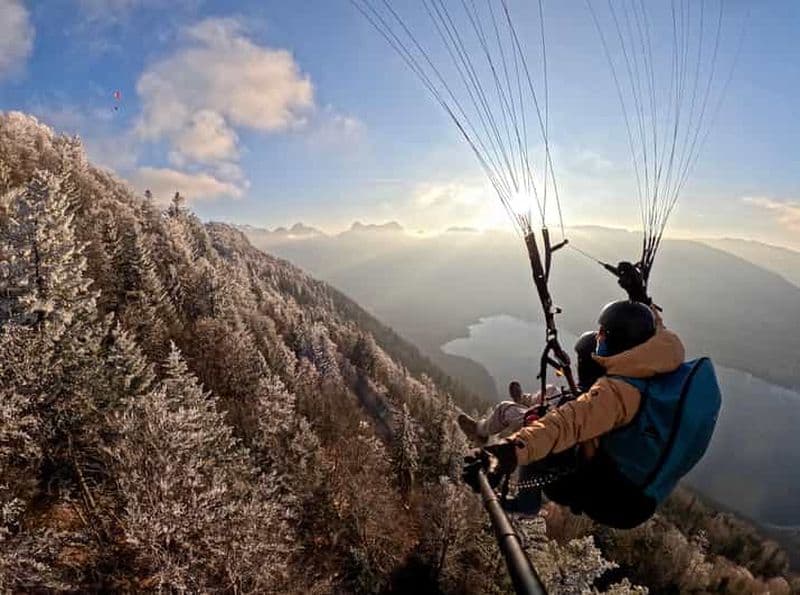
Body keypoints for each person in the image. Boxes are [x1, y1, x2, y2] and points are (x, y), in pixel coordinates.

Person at [464, 300, 690, 529]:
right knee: (551, 396)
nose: (600, 338)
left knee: (523, 416)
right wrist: (640, 299)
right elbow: (654, 332)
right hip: (631, 491)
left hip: (603, 491)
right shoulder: (654, 364)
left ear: (617, 341)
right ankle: (525, 401)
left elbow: (565, 424)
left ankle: (494, 450)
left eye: (604, 333)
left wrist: (507, 452)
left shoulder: (615, 393)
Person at [457, 381, 559, 444]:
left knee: (505, 408)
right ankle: (523, 401)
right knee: (550, 390)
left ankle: (479, 431)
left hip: (548, 426)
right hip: (561, 415)